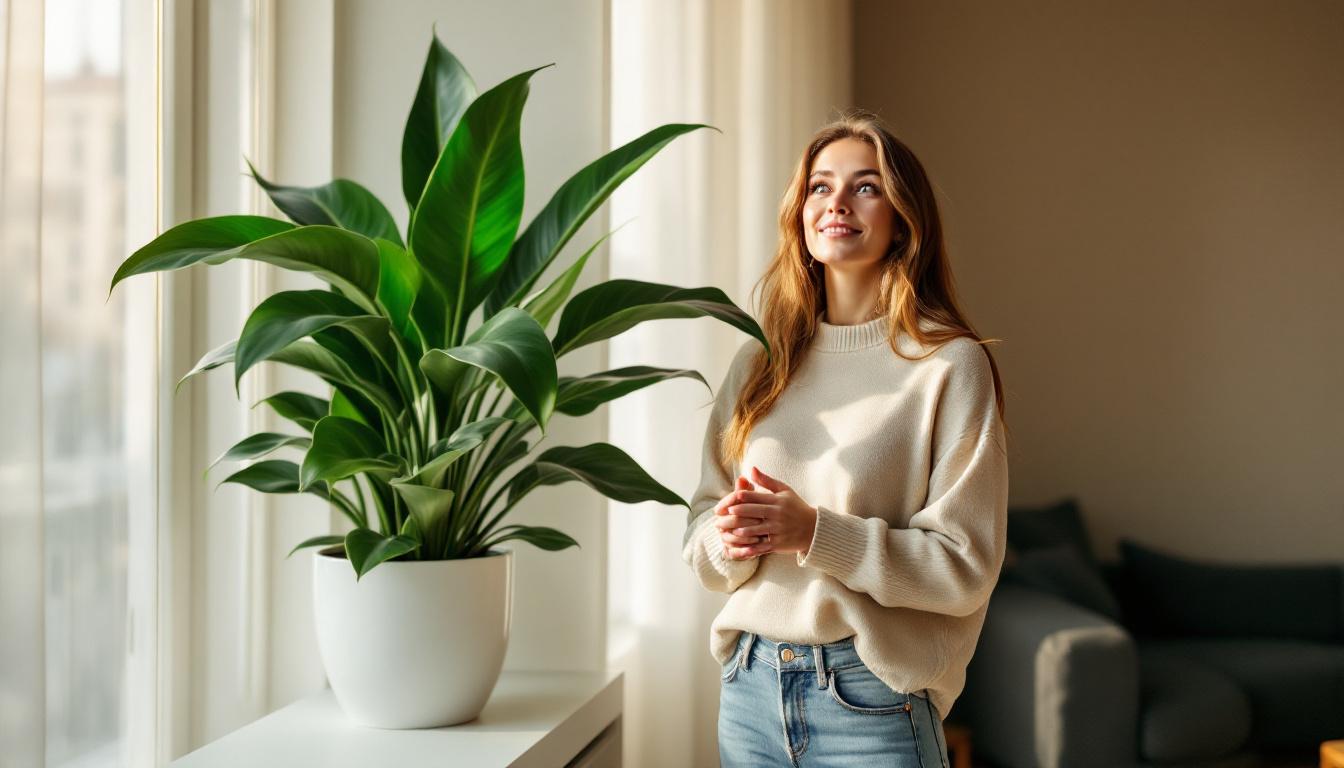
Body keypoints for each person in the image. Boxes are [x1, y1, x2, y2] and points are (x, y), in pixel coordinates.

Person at [682, 108, 1010, 768]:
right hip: (749, 692)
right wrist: (729, 539)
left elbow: (965, 569)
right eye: (819, 186)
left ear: (902, 220)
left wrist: (813, 532)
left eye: (865, 186)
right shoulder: (759, 362)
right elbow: (701, 542)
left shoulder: (947, 365)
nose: (837, 202)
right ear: (800, 214)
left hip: (870, 701)